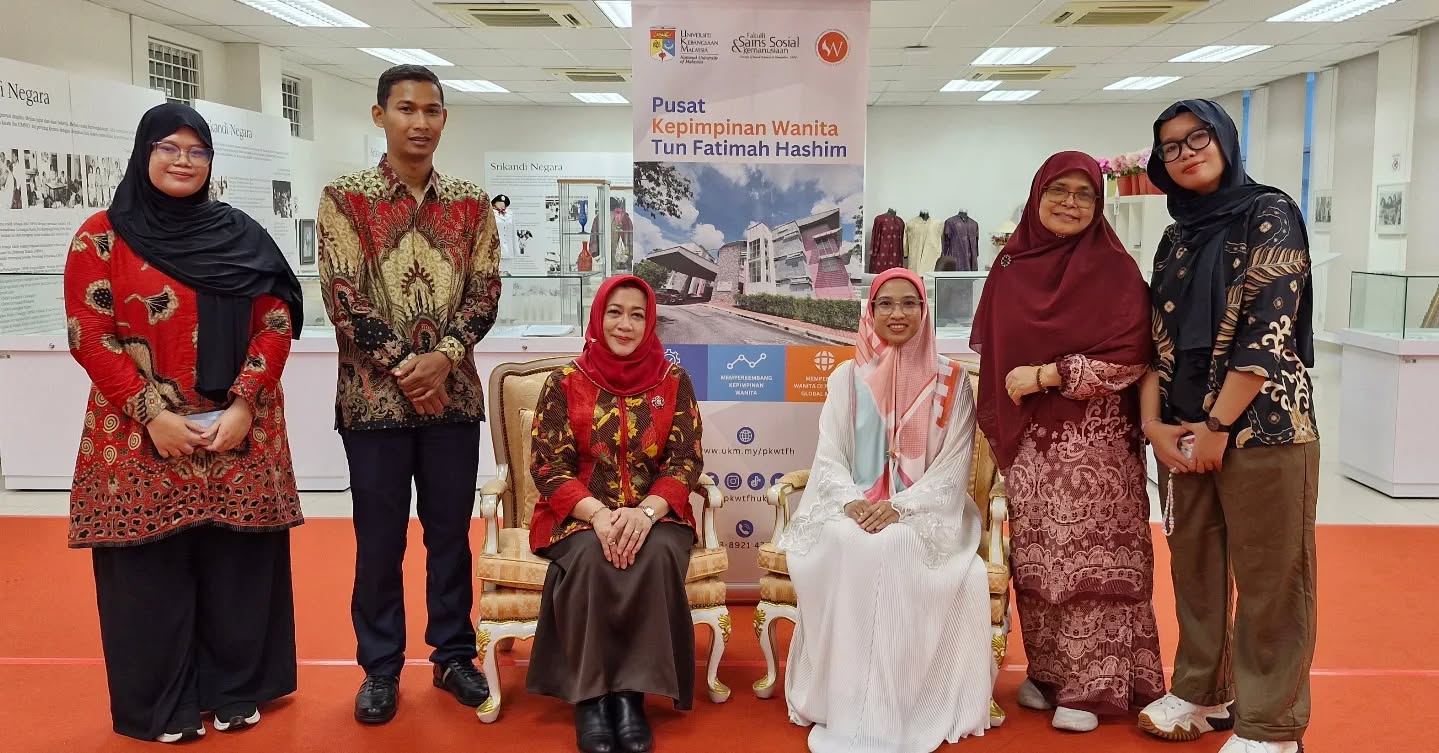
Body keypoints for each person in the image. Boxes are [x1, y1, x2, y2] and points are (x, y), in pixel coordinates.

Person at [62, 102, 304, 743]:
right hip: (139, 436)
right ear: (144, 153)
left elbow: (276, 319)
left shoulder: (241, 234)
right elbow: (90, 335)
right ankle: (162, 704)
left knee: (236, 570)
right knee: (150, 577)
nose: (183, 161)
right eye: (169, 147)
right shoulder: (100, 238)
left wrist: (245, 402)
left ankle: (234, 690)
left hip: (237, 433)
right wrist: (153, 415)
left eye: (197, 151)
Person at [317, 64, 502, 725]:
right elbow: (343, 297)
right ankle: (380, 667)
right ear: (380, 116)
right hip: (373, 404)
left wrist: (443, 358)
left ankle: (453, 655)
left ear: (444, 118)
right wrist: (408, 368)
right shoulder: (346, 199)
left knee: (450, 536)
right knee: (379, 541)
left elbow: (485, 291)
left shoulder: (471, 204)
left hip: (453, 401)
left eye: (431, 110)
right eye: (405, 109)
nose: (419, 122)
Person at [1136, 100, 1319, 753]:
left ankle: (1270, 725)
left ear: (1224, 139)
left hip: (1263, 427)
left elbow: (1267, 331)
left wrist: (1217, 424)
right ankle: (1202, 689)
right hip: (1182, 430)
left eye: (1197, 138)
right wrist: (1156, 425)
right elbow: (1154, 336)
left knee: (1271, 575)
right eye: (1170, 147)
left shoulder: (1269, 212)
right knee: (1195, 567)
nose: (1185, 153)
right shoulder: (1175, 236)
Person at [971, 151, 1164, 732]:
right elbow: (994, 347)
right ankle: (1050, 673)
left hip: (1096, 446)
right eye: (1059, 191)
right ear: (1038, 196)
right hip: (1031, 445)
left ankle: (1097, 687)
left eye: (1084, 194)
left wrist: (1051, 374)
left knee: (1092, 566)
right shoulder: (1011, 265)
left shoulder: (1114, 269)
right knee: (1039, 564)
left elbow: (1134, 356)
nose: (1070, 204)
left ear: (1098, 204)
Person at [780, 268, 994, 753]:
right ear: (870, 312)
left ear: (924, 310)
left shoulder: (953, 381)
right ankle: (847, 702)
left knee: (895, 543)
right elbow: (829, 455)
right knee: (848, 539)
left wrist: (900, 507)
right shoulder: (847, 378)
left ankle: (899, 704)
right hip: (852, 505)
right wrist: (852, 501)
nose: (897, 313)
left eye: (909, 303)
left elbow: (954, 465)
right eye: (886, 304)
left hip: (927, 510)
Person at [527, 275, 705, 753]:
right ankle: (591, 697)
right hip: (579, 513)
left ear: (650, 324)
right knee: (590, 556)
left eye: (637, 315)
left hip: (656, 513)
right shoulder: (564, 382)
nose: (625, 325)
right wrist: (599, 516)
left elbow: (685, 460)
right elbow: (547, 465)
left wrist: (645, 514)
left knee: (656, 553)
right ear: (597, 316)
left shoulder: (673, 381)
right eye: (615, 312)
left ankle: (629, 697)